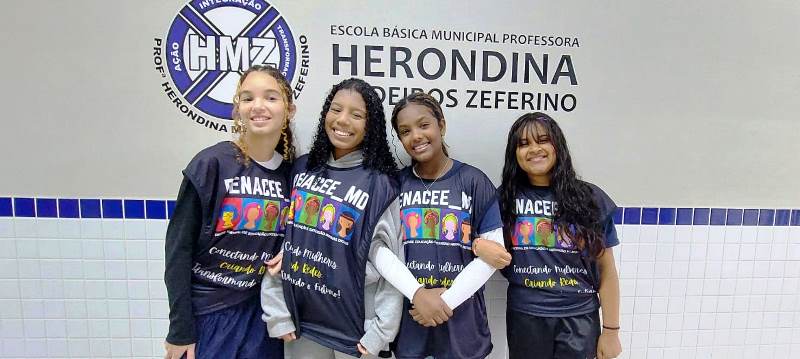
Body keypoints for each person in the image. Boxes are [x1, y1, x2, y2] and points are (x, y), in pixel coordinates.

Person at [261, 78, 404, 358]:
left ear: (370, 124)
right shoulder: (303, 169)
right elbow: (282, 246)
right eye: (336, 109)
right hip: (302, 322)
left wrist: (380, 332)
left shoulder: (382, 184)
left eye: (357, 114)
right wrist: (277, 312)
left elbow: (392, 263)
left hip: (358, 330)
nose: (343, 120)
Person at [163, 65, 296, 359]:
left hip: (259, 318)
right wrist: (180, 329)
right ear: (237, 109)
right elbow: (178, 252)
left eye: (271, 98)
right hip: (208, 315)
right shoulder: (211, 164)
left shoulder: (291, 174)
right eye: (247, 98)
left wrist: (292, 251)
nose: (258, 106)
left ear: (290, 110)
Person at [386, 92, 512, 359]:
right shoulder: (394, 185)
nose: (416, 136)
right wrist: (418, 294)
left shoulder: (474, 181)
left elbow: (494, 254)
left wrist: (445, 301)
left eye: (423, 125)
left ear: (441, 125)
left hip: (462, 324)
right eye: (405, 131)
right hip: (412, 320)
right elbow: (381, 249)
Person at [498, 112, 622, 359]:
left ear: (558, 146)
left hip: (579, 319)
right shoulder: (504, 200)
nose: (534, 149)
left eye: (543, 140)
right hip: (526, 317)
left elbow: (607, 270)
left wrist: (611, 331)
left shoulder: (590, 199)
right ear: (515, 154)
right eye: (523, 144)